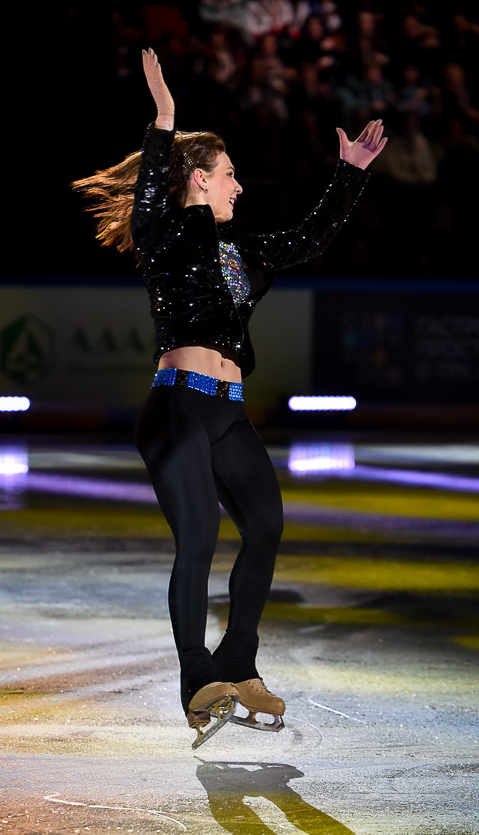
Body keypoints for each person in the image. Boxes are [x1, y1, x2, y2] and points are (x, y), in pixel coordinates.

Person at [73, 48, 386, 748]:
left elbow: (309, 238)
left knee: (266, 527)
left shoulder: (242, 254)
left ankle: (237, 662)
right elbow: (155, 201)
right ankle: (196, 677)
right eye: (229, 174)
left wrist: (350, 175)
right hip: (178, 409)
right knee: (200, 542)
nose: (239, 186)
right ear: (199, 179)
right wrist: (164, 122)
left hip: (226, 413)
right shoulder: (167, 237)